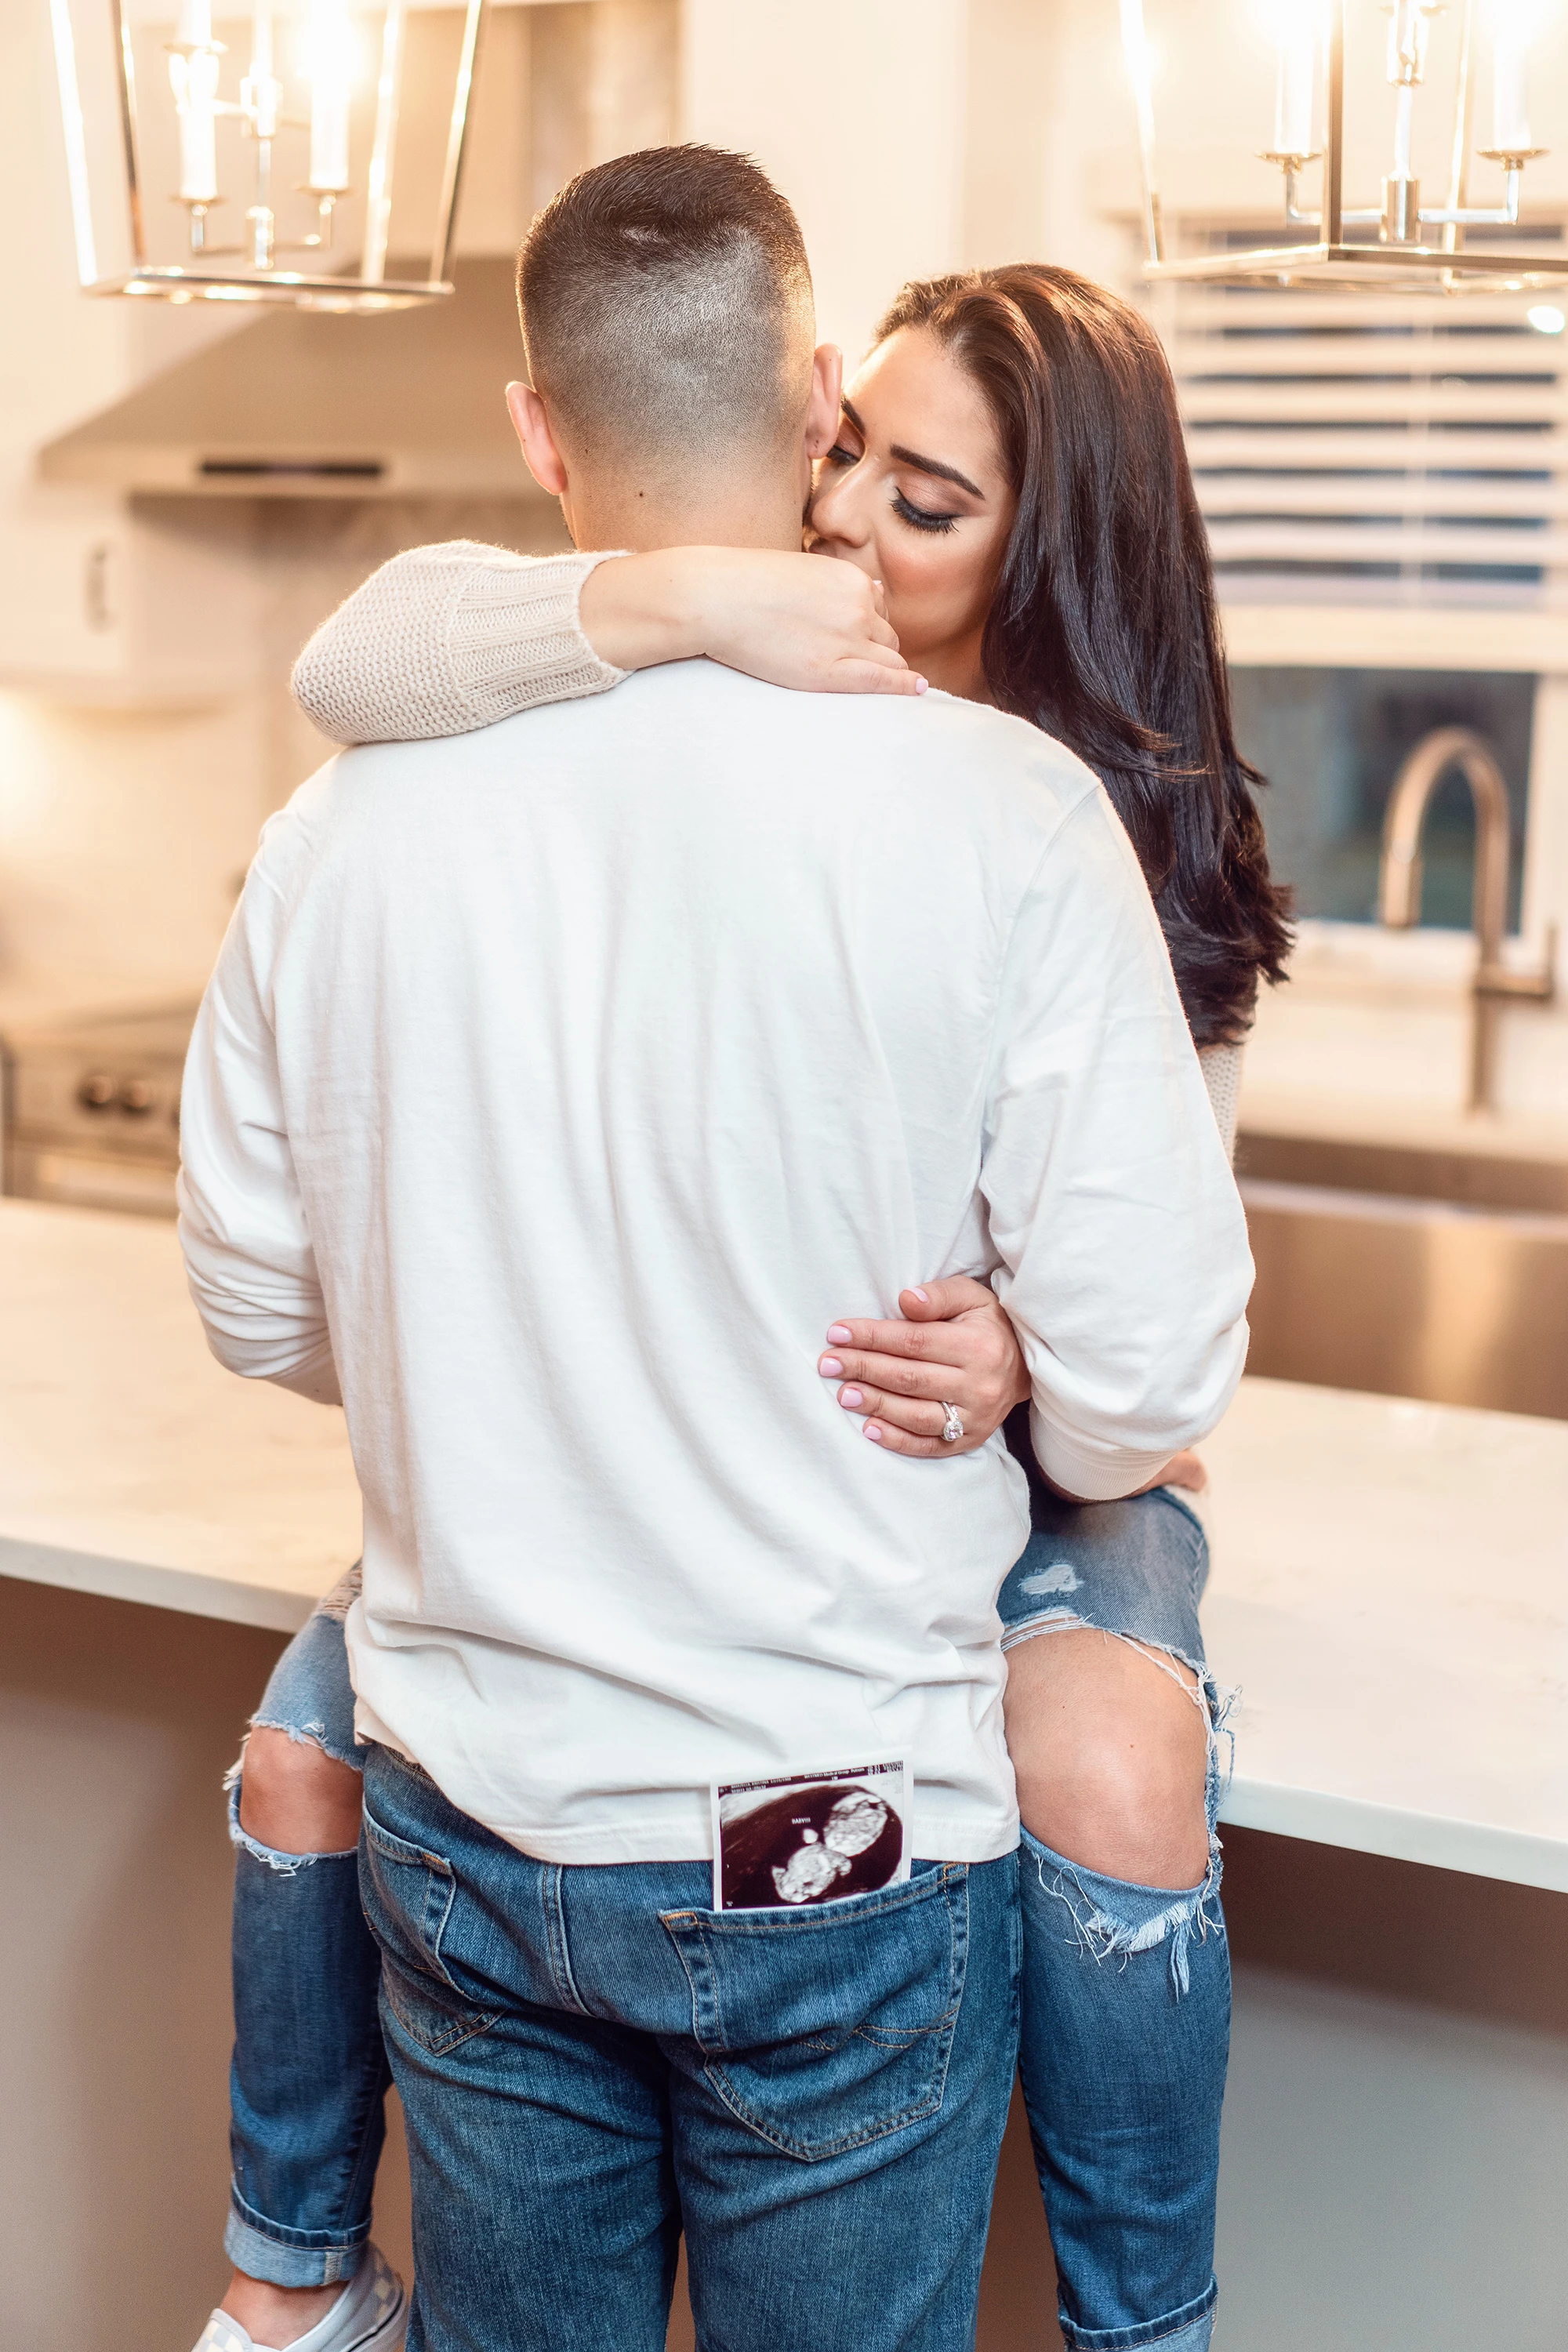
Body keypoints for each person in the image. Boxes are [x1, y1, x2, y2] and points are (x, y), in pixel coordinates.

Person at [180, 142, 1251, 2352]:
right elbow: (1153, 1387)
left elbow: (261, 1305)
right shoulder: (1005, 828)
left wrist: (483, 1334)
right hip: (828, 1845)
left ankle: (284, 2290)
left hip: (476, 1824)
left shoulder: (334, 827)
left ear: (536, 440)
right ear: (812, 407)